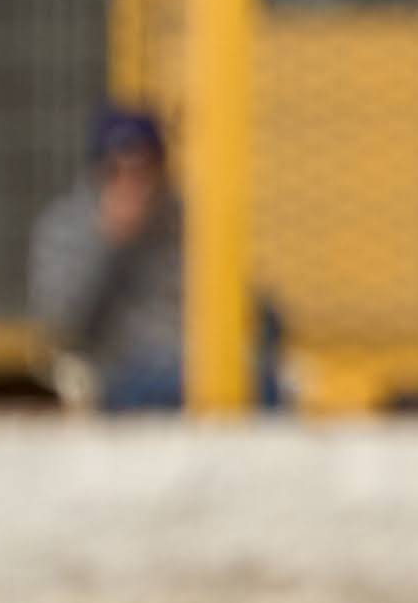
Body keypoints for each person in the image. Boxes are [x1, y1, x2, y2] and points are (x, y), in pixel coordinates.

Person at [26, 105, 274, 411]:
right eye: (117, 170)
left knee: (265, 386)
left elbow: (247, 303)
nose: (133, 184)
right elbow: (62, 324)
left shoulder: (186, 223)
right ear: (97, 172)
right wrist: (109, 245)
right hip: (120, 369)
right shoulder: (66, 229)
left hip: (198, 362)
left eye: (144, 170)